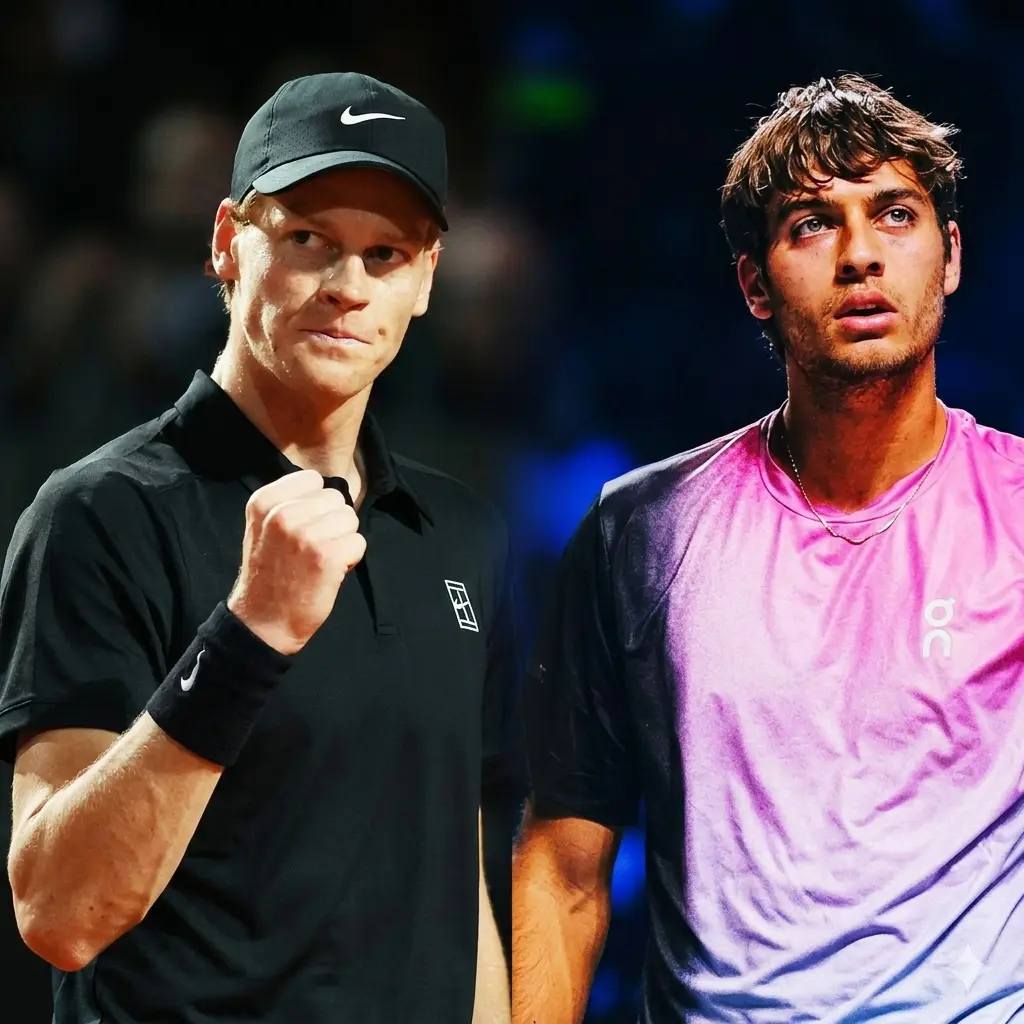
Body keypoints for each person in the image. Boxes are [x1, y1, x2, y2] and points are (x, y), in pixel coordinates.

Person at [0, 71, 522, 1024]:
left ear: (426, 280)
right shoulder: (101, 515)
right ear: (226, 243)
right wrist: (248, 635)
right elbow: (60, 911)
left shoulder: (460, 534)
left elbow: (461, 890)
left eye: (385, 253)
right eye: (308, 239)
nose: (347, 286)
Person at [513, 73, 1024, 1022]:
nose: (861, 255)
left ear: (950, 256)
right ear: (755, 283)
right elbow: (564, 865)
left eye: (896, 214)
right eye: (813, 225)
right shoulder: (642, 529)